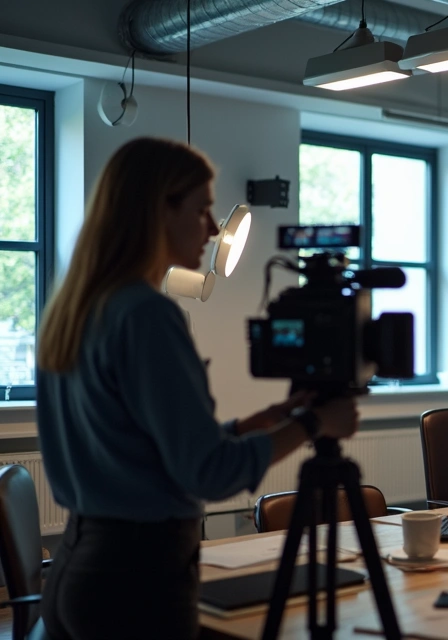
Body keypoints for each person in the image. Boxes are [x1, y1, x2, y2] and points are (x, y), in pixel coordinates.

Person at [35, 137, 359, 639]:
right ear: (158, 210)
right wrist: (314, 424)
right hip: (138, 579)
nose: (212, 228)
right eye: (202, 209)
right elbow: (209, 473)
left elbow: (142, 449)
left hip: (79, 567)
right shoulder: (148, 314)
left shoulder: (75, 309)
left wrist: (256, 424)